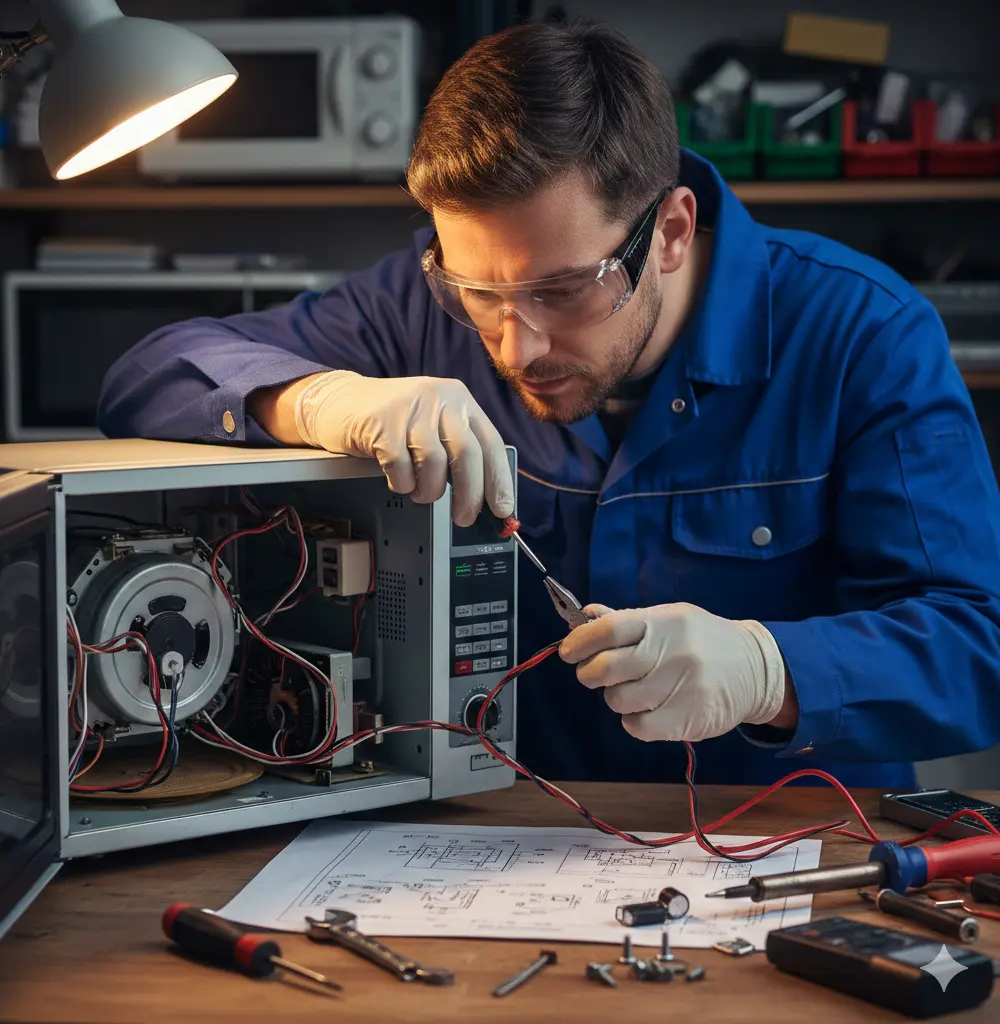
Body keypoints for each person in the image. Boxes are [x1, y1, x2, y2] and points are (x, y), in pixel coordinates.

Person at [98, 20, 1000, 789]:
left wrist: (772, 672)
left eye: (562, 291)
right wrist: (322, 398)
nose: (512, 345)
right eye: (477, 294)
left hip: (791, 850)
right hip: (496, 846)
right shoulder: (418, 309)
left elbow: (976, 648)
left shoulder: (862, 334)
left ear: (673, 232)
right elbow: (148, 373)